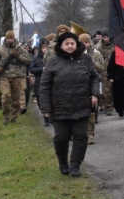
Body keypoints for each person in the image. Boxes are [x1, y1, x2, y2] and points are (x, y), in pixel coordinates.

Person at [39, 31, 101, 177]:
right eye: (66, 43)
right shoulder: (53, 61)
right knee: (61, 138)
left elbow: (96, 77)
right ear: (61, 45)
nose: (69, 46)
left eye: (72, 43)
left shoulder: (85, 59)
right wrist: (45, 108)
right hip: (60, 107)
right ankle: (63, 162)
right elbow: (44, 85)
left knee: (81, 137)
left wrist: (95, 94)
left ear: (77, 44)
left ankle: (75, 165)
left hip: (82, 105)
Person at [0, 30, 32, 125]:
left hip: (17, 76)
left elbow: (28, 60)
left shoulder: (20, 49)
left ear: (14, 38)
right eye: (8, 38)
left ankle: (14, 116)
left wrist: (18, 56)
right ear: (5, 39)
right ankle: (6, 116)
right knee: (5, 97)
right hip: (5, 77)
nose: (10, 40)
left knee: (16, 99)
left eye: (11, 38)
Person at [80, 33, 104, 144]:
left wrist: (91, 61)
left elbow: (101, 68)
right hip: (80, 85)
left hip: (93, 83)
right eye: (82, 42)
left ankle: (90, 134)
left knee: (92, 111)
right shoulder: (75, 54)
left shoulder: (96, 53)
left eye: (87, 42)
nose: (85, 45)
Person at [107, 46, 124, 119]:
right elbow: (110, 66)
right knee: (118, 95)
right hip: (118, 78)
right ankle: (120, 109)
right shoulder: (115, 54)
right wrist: (111, 77)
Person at [29, 41, 48, 125]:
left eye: (46, 47)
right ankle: (45, 115)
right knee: (41, 101)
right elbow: (31, 69)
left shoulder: (52, 58)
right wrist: (41, 69)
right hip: (39, 82)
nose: (45, 49)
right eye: (43, 48)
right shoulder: (36, 58)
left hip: (49, 82)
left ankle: (48, 119)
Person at [97, 31, 115, 116]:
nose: (106, 39)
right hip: (104, 70)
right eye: (104, 37)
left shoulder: (114, 46)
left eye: (107, 37)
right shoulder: (99, 47)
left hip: (115, 69)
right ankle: (108, 107)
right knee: (106, 91)